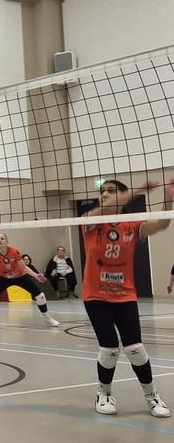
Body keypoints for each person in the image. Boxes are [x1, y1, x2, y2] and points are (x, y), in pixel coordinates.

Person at [81, 179, 172, 418]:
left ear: (121, 195)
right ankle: (104, 393)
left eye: (111, 191)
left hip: (125, 295)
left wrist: (169, 198)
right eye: (102, 192)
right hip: (95, 296)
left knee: (135, 348)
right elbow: (107, 208)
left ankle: (152, 396)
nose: (104, 195)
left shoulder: (132, 225)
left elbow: (162, 224)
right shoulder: (90, 221)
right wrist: (138, 190)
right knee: (109, 348)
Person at [0, 232, 58, 330]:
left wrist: (36, 275)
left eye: (2, 239)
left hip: (20, 277)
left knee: (40, 296)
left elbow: (24, 267)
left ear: (7, 241)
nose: (0, 240)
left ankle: (47, 317)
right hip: (5, 278)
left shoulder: (14, 252)